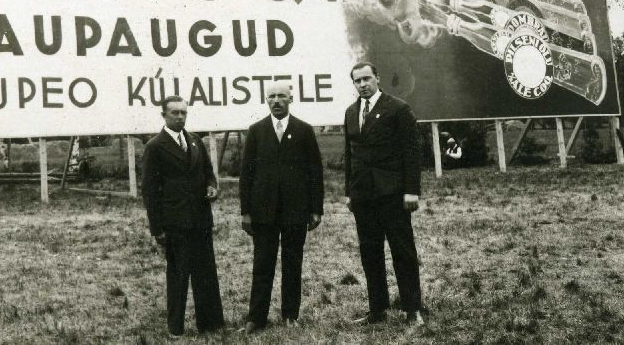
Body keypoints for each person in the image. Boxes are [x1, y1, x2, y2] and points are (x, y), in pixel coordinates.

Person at [343, 61, 425, 326]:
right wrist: (349, 191)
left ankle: (413, 308)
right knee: (370, 252)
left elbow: (412, 153)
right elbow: (350, 155)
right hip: (363, 196)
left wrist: (411, 191)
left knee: (403, 251)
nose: (363, 84)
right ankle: (377, 309)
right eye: (358, 81)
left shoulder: (398, 108)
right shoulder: (350, 112)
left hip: (393, 193)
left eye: (367, 79)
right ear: (353, 84)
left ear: (378, 78)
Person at [239, 81, 324, 332]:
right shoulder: (256, 131)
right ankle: (256, 318)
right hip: (263, 212)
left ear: (290, 99)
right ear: (267, 100)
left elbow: (314, 172)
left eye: (281, 96)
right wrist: (246, 212)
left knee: (292, 263)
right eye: (272, 97)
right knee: (262, 264)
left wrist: (316, 209)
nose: (276, 101)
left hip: (295, 211)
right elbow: (247, 174)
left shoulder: (304, 130)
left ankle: (290, 315)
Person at [142, 96, 224, 338]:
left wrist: (212, 187)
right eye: (175, 113)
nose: (180, 117)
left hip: (200, 219)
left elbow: (208, 173)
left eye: (183, 113)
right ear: (164, 115)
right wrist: (157, 228)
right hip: (175, 222)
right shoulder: (155, 146)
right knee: (178, 275)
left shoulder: (195, 141)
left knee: (206, 272)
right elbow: (149, 191)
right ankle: (175, 328)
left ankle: (210, 324)